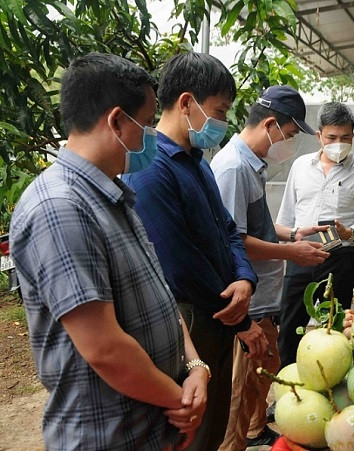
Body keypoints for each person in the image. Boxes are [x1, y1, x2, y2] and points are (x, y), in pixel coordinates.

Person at [9, 53, 209, 449]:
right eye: (148, 123)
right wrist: (181, 401)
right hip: (108, 438)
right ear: (117, 121)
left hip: (149, 428)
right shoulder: (60, 207)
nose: (150, 135)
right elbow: (104, 349)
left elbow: (162, 298)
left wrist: (196, 367)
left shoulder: (111, 195)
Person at [122, 52, 265, 451]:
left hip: (217, 310)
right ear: (187, 103)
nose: (222, 123)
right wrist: (240, 318)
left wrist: (244, 278)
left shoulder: (199, 163)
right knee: (192, 431)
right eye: (219, 111)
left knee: (214, 423)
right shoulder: (152, 169)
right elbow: (178, 263)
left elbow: (228, 231)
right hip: (190, 317)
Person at [210, 85, 330, 449]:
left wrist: (292, 233)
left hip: (263, 296)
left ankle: (254, 428)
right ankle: (234, 443)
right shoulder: (232, 168)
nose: (290, 144)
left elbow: (254, 225)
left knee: (261, 375)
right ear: (271, 125)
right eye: (291, 135)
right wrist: (291, 253)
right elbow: (235, 242)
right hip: (247, 298)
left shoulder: (250, 164)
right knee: (239, 387)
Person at [276, 101, 354, 367]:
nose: (339, 143)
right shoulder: (300, 167)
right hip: (299, 256)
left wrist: (352, 232)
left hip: (339, 259)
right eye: (332, 137)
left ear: (353, 136)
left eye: (345, 137)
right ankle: (287, 383)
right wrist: (292, 235)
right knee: (290, 327)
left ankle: (331, 387)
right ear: (319, 136)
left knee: (336, 330)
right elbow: (285, 217)